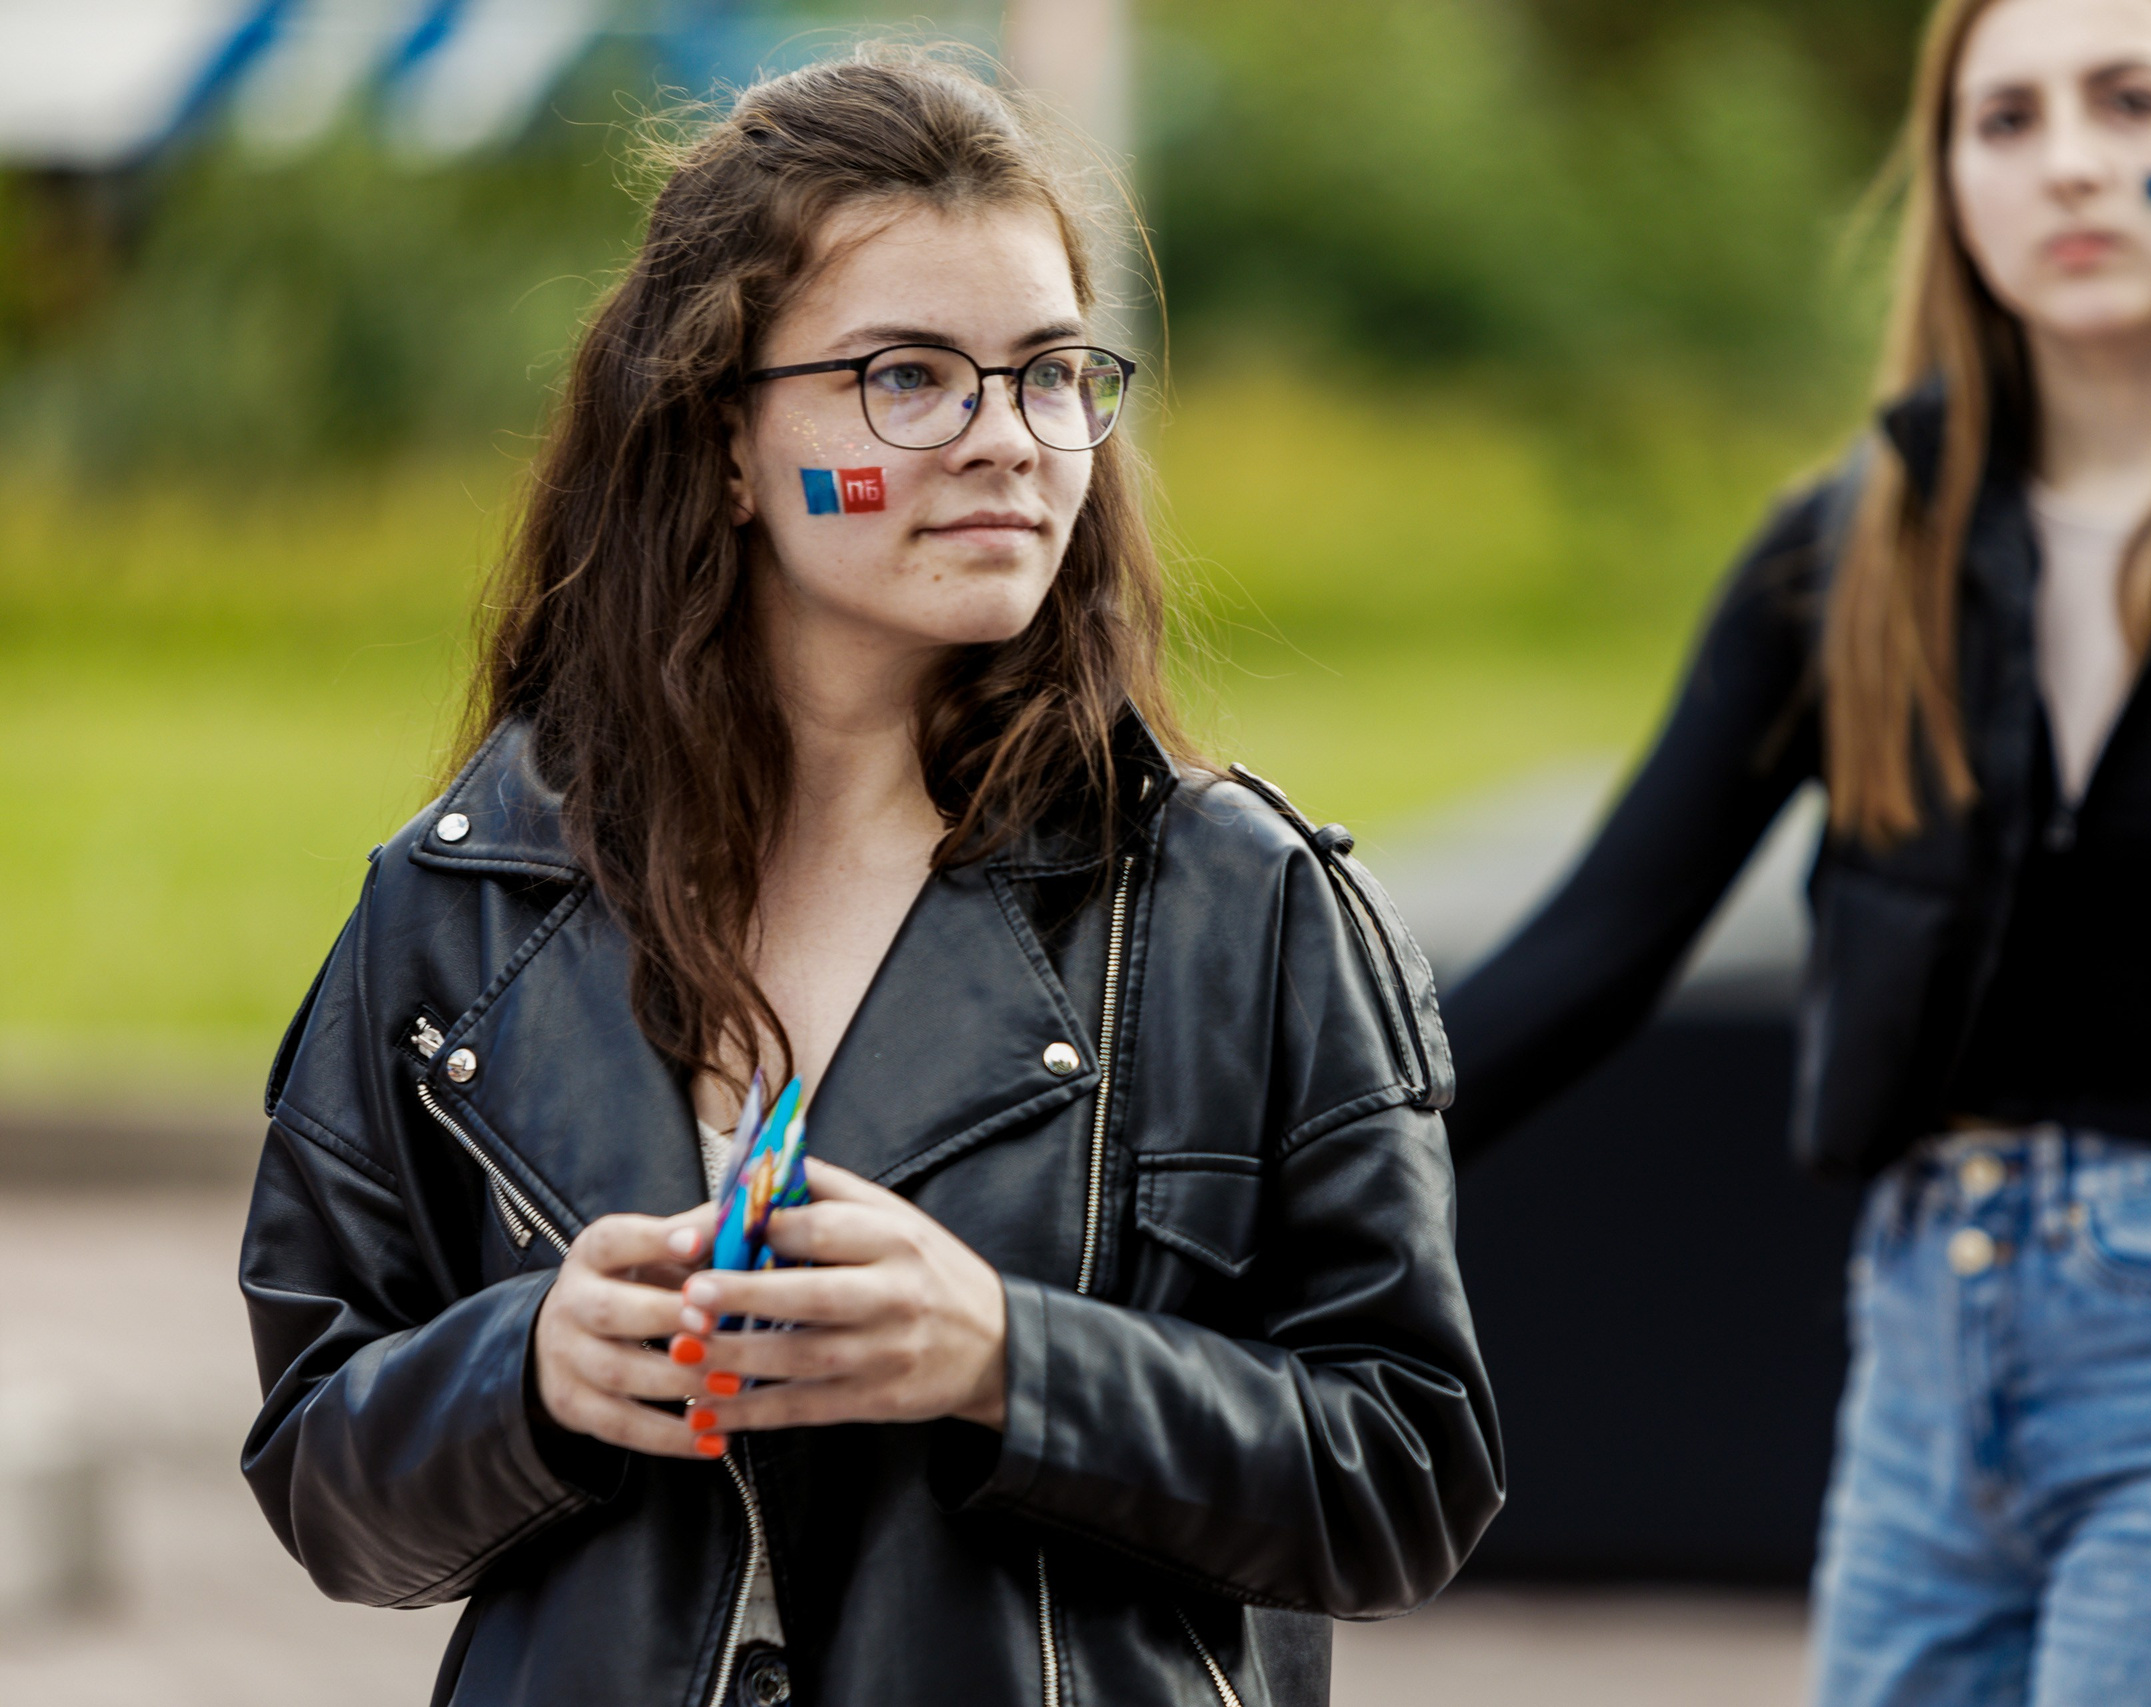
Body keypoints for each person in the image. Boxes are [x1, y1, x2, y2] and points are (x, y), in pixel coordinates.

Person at [240, 51, 1499, 1707]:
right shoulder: (468, 901)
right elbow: (327, 1477)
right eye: (910, 376)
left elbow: (1406, 1471)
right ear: (726, 444)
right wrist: (528, 1371)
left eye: (1051, 373)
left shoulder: (1236, 907)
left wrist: (1005, 1359)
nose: (1011, 442)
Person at [1439, 0, 2151, 1701]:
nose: (2075, 164)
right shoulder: (1848, 553)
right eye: (2008, 118)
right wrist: (1247, 1192)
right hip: (1926, 1360)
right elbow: (1597, 946)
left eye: (2129, 102)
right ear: (1954, 180)